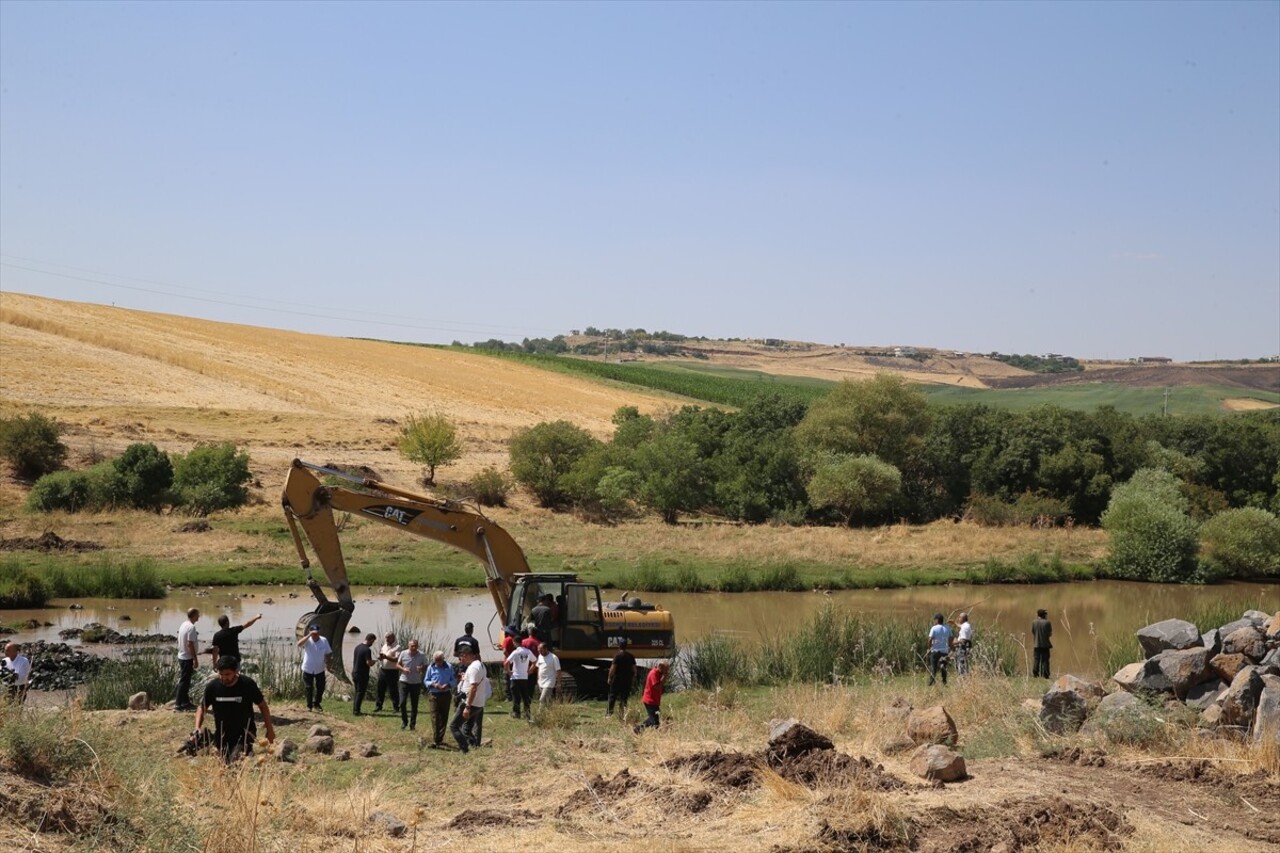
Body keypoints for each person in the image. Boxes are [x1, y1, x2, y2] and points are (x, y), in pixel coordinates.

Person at [195, 656, 275, 764]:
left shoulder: (247, 684)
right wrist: (197, 727)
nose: (224, 678)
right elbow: (202, 707)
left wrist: (270, 729)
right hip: (222, 735)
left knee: (236, 761)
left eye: (227, 674)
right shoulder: (213, 687)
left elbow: (262, 705)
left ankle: (247, 756)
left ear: (236, 671)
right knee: (224, 765)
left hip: (245, 734)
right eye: (221, 674)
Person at [451, 645, 490, 754]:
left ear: (466, 655)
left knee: (454, 726)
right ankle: (475, 747)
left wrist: (467, 706)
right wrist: (465, 678)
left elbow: (473, 688)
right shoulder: (480, 665)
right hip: (478, 703)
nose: (460, 660)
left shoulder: (473, 668)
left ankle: (464, 749)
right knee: (467, 729)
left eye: (461, 658)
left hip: (470, 703)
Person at [296, 623, 333, 711]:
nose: (315, 635)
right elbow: (299, 644)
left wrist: (329, 664)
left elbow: (328, 653)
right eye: (313, 633)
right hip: (308, 668)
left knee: (321, 687)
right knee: (309, 688)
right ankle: (309, 706)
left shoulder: (324, 640)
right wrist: (309, 635)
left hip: (320, 669)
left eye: (317, 633)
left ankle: (317, 703)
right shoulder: (307, 641)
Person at [424, 650, 456, 747]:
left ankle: (440, 739)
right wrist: (434, 684)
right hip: (434, 694)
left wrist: (448, 685)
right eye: (436, 661)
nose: (437, 663)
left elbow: (454, 680)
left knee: (444, 716)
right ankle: (436, 738)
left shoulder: (449, 667)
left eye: (439, 660)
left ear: (443, 659)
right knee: (435, 717)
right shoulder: (431, 667)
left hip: (446, 694)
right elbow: (426, 680)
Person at [397, 639, 428, 731]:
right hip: (404, 681)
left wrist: (421, 668)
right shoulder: (403, 653)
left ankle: (412, 724)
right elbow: (397, 665)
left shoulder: (422, 655)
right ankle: (404, 721)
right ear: (408, 646)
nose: (414, 648)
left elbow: (426, 666)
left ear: (417, 646)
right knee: (402, 703)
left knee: (414, 704)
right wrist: (403, 669)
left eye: (415, 646)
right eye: (412, 646)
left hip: (416, 682)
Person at [174, 607, 200, 711]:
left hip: (182, 655)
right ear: (194, 615)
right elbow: (190, 644)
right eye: (198, 614)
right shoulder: (191, 627)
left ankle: (185, 702)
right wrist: (195, 659)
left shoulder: (183, 624)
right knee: (184, 681)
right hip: (187, 657)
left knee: (186, 680)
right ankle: (178, 704)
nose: (199, 616)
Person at [504, 640, 536, 720]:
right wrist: (530, 670)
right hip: (524, 677)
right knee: (525, 696)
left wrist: (508, 671)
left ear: (515, 643)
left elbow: (506, 662)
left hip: (515, 677)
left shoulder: (515, 652)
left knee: (516, 696)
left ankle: (516, 713)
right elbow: (535, 661)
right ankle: (527, 713)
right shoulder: (528, 651)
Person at [634, 661, 669, 733]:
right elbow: (657, 686)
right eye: (666, 669)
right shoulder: (654, 673)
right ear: (660, 667)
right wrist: (664, 676)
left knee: (653, 718)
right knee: (655, 721)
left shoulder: (659, 673)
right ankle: (640, 730)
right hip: (650, 700)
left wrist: (664, 675)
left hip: (654, 700)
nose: (667, 671)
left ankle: (638, 729)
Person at [606, 639, 636, 718]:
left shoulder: (617, 656)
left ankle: (609, 714)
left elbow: (613, 668)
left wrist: (609, 678)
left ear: (619, 646)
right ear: (626, 646)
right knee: (624, 698)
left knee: (612, 696)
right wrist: (632, 679)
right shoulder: (631, 656)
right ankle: (622, 715)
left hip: (617, 679)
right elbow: (634, 670)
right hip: (627, 680)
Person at [374, 631, 402, 713]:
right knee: (380, 688)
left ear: (393, 638)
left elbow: (397, 659)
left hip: (392, 671)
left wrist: (386, 657)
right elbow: (383, 655)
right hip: (383, 670)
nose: (387, 639)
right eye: (386, 637)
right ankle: (378, 705)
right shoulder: (384, 646)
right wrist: (381, 657)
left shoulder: (397, 647)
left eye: (388, 637)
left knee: (393, 689)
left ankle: (396, 707)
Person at [351, 633, 377, 715]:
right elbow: (368, 663)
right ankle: (356, 711)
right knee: (360, 692)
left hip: (355, 672)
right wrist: (375, 661)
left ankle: (355, 709)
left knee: (357, 692)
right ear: (370, 640)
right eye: (372, 641)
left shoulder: (357, 647)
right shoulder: (367, 650)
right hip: (362, 674)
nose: (372, 644)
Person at [926, 613, 952, 686]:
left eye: (935, 620)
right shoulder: (947, 628)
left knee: (933, 666)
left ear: (937, 620)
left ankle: (932, 681)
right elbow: (951, 638)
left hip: (935, 650)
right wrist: (949, 647)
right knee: (943, 666)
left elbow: (930, 639)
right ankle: (944, 681)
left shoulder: (934, 628)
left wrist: (929, 648)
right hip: (944, 651)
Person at [535, 642, 561, 707]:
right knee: (547, 700)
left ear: (546, 649)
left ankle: (540, 714)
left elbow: (558, 670)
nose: (540, 652)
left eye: (541, 650)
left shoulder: (554, 657)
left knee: (542, 699)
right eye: (538, 651)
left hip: (549, 681)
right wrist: (537, 679)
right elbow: (539, 668)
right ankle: (550, 714)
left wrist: (558, 683)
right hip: (541, 681)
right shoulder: (540, 656)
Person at [1032, 609, 1053, 679]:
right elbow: (1049, 634)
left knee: (1036, 659)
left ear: (1038, 615)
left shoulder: (1034, 622)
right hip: (1045, 645)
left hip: (1036, 644)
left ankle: (1035, 674)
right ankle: (1046, 674)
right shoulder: (1047, 622)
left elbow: (1033, 632)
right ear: (1044, 615)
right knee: (1045, 660)